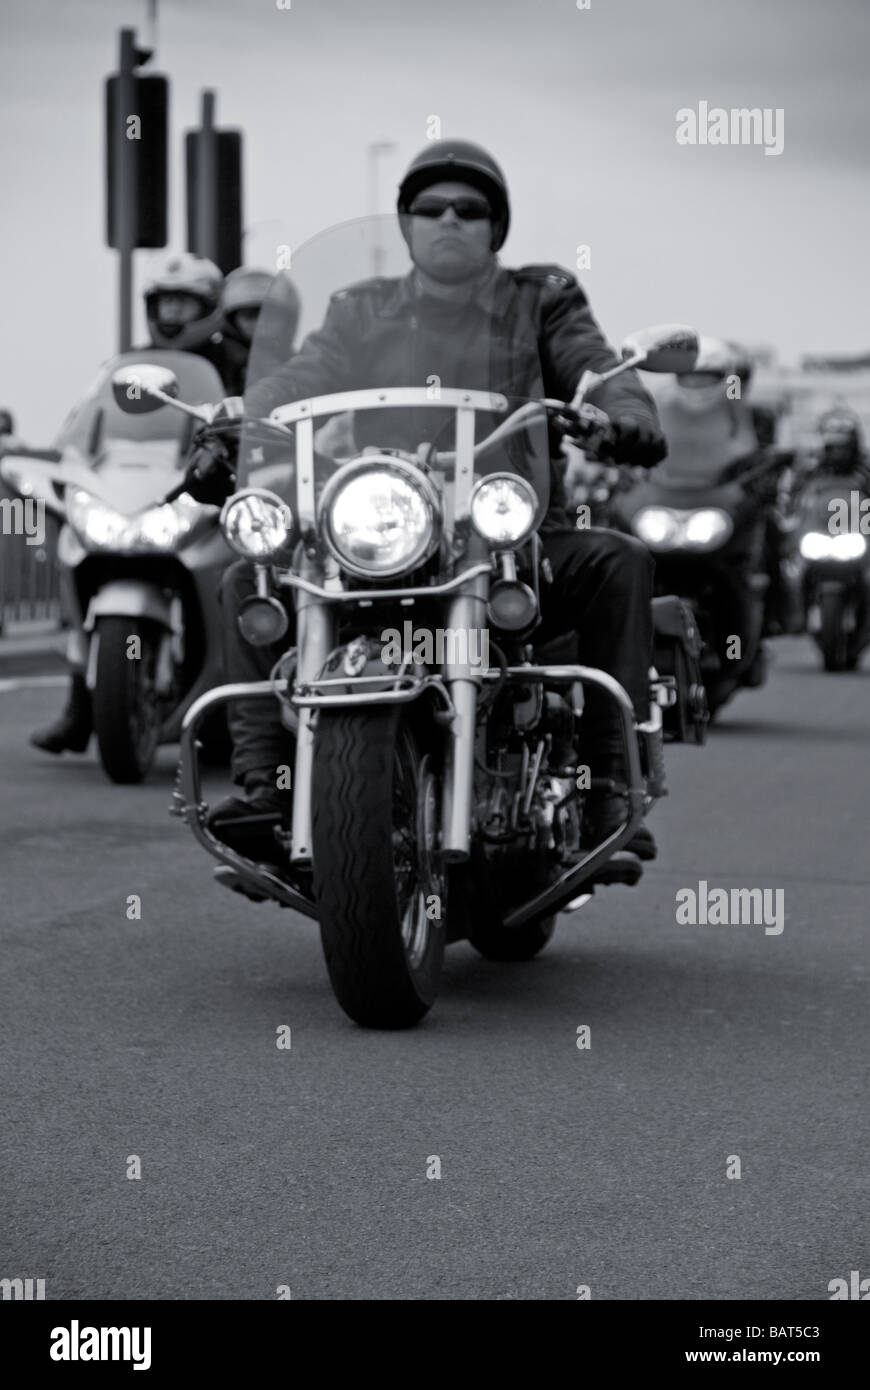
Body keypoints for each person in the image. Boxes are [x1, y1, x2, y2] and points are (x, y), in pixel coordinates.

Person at [187, 140, 667, 865]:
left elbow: (593, 365)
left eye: (469, 210)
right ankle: (267, 789)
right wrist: (239, 419)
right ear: (407, 223)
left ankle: (608, 790)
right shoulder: (362, 309)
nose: (449, 220)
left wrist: (619, 411)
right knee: (246, 576)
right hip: (388, 523)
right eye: (430, 208)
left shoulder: (542, 298)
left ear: (495, 227)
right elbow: (303, 376)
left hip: (513, 530)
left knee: (617, 562)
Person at [31, 254, 227, 756]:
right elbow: (88, 421)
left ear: (207, 308)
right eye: (165, 301)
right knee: (74, 542)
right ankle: (83, 706)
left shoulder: (232, 364)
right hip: (138, 493)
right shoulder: (128, 367)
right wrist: (66, 458)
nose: (172, 314)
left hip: (208, 494)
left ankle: (250, 711)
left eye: (184, 302)